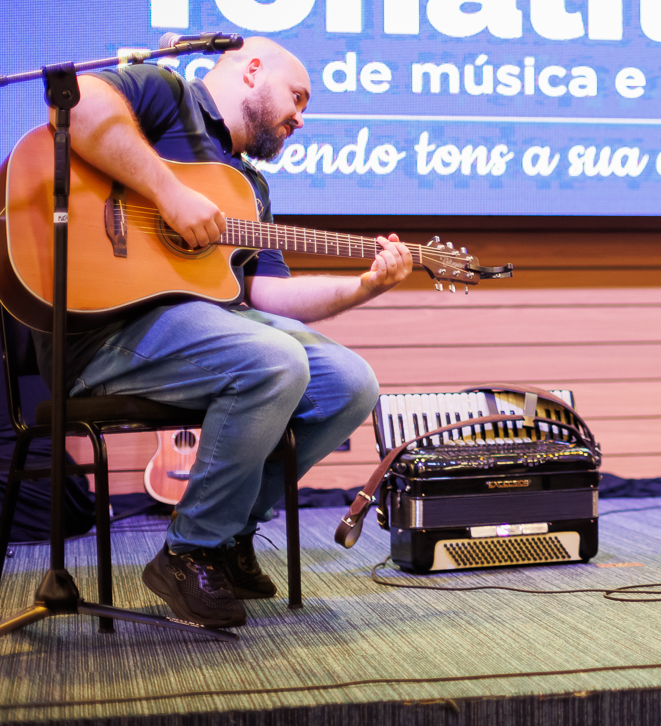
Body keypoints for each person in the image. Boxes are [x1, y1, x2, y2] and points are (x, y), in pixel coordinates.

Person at [37, 37, 410, 627]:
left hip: (206, 334)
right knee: (275, 359)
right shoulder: (164, 93)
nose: (300, 118)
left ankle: (230, 533)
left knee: (350, 382)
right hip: (104, 331)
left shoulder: (249, 187)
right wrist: (169, 194)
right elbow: (76, 106)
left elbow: (269, 297)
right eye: (297, 97)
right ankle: (189, 551)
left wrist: (364, 286)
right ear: (252, 70)